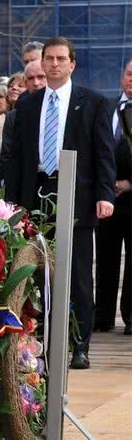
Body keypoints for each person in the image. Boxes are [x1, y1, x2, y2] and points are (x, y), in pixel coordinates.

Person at [4, 37, 116, 370]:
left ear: (72, 64)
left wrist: (104, 194)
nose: (54, 64)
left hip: (77, 198)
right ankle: (37, 344)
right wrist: (12, 202)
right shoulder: (27, 105)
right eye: (48, 58)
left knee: (78, 274)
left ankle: (79, 344)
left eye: (60, 59)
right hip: (35, 194)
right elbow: (16, 155)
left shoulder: (92, 102)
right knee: (35, 272)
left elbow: (103, 153)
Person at [94, 58, 132, 336]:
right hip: (106, 196)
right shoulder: (105, 106)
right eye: (129, 74)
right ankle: (103, 316)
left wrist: (129, 182)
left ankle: (130, 317)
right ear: (122, 77)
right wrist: (106, 184)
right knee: (105, 258)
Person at [0, 60, 48, 183]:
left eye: (41, 77)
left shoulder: (67, 108)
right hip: (26, 182)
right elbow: (8, 155)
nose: (36, 83)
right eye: (31, 79)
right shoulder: (15, 115)